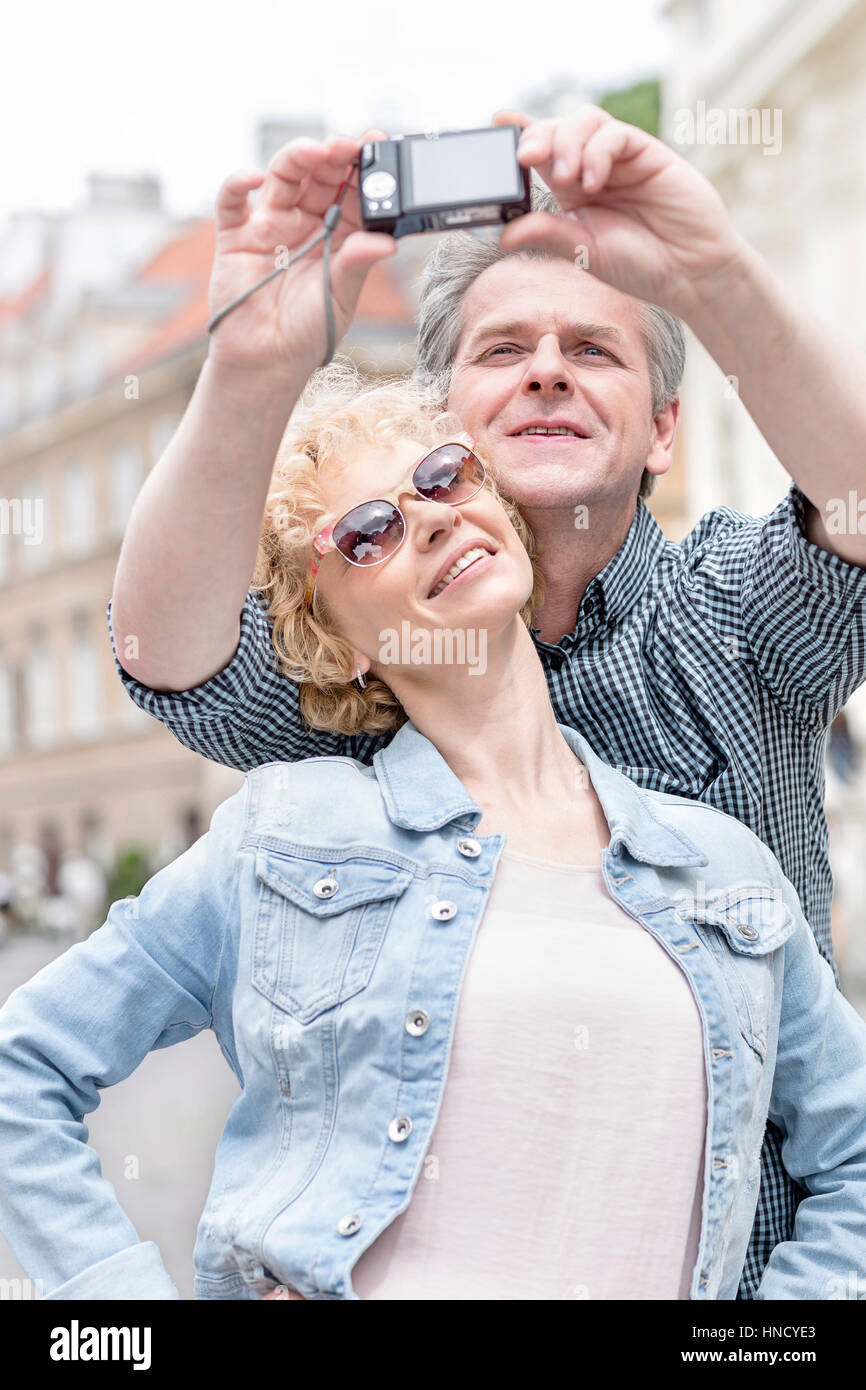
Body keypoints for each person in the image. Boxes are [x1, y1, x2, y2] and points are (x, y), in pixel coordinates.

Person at [105, 108, 866, 1298]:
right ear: (442, 420)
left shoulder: (739, 609)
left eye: (596, 350)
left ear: (665, 428)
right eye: (503, 350)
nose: (549, 367)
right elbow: (165, 652)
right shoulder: (366, 646)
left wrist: (710, 275)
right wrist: (249, 374)